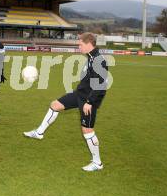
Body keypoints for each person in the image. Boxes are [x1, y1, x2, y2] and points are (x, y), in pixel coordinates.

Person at [24, 32, 109, 171]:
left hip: (88, 100)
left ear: (88, 43)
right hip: (80, 94)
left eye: (80, 45)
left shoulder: (99, 60)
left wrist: (90, 102)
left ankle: (97, 163)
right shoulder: (91, 57)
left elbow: (101, 85)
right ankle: (39, 133)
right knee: (55, 105)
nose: (79, 47)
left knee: (87, 131)